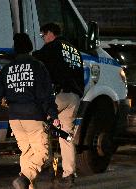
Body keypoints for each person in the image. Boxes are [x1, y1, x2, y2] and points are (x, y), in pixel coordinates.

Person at [0, 33, 60, 189]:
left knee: (27, 153)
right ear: (30, 48)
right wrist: (53, 114)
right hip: (33, 117)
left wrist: (4, 99)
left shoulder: (8, 68)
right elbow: (46, 94)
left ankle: (27, 187)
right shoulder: (38, 66)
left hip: (15, 118)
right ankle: (25, 178)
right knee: (43, 154)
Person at [33, 23, 84, 188]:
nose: (43, 39)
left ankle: (45, 162)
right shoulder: (74, 50)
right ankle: (69, 174)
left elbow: (35, 58)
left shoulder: (52, 47)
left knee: (38, 122)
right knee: (66, 135)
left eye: (43, 36)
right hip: (74, 97)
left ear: (49, 33)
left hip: (59, 96)